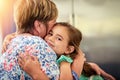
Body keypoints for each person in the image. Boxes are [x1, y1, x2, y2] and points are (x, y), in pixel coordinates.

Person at [1, 0, 116, 80]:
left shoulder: (13, 42)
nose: (50, 38)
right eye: (51, 29)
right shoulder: (42, 47)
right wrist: (74, 65)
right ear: (38, 26)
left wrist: (87, 66)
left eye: (59, 38)